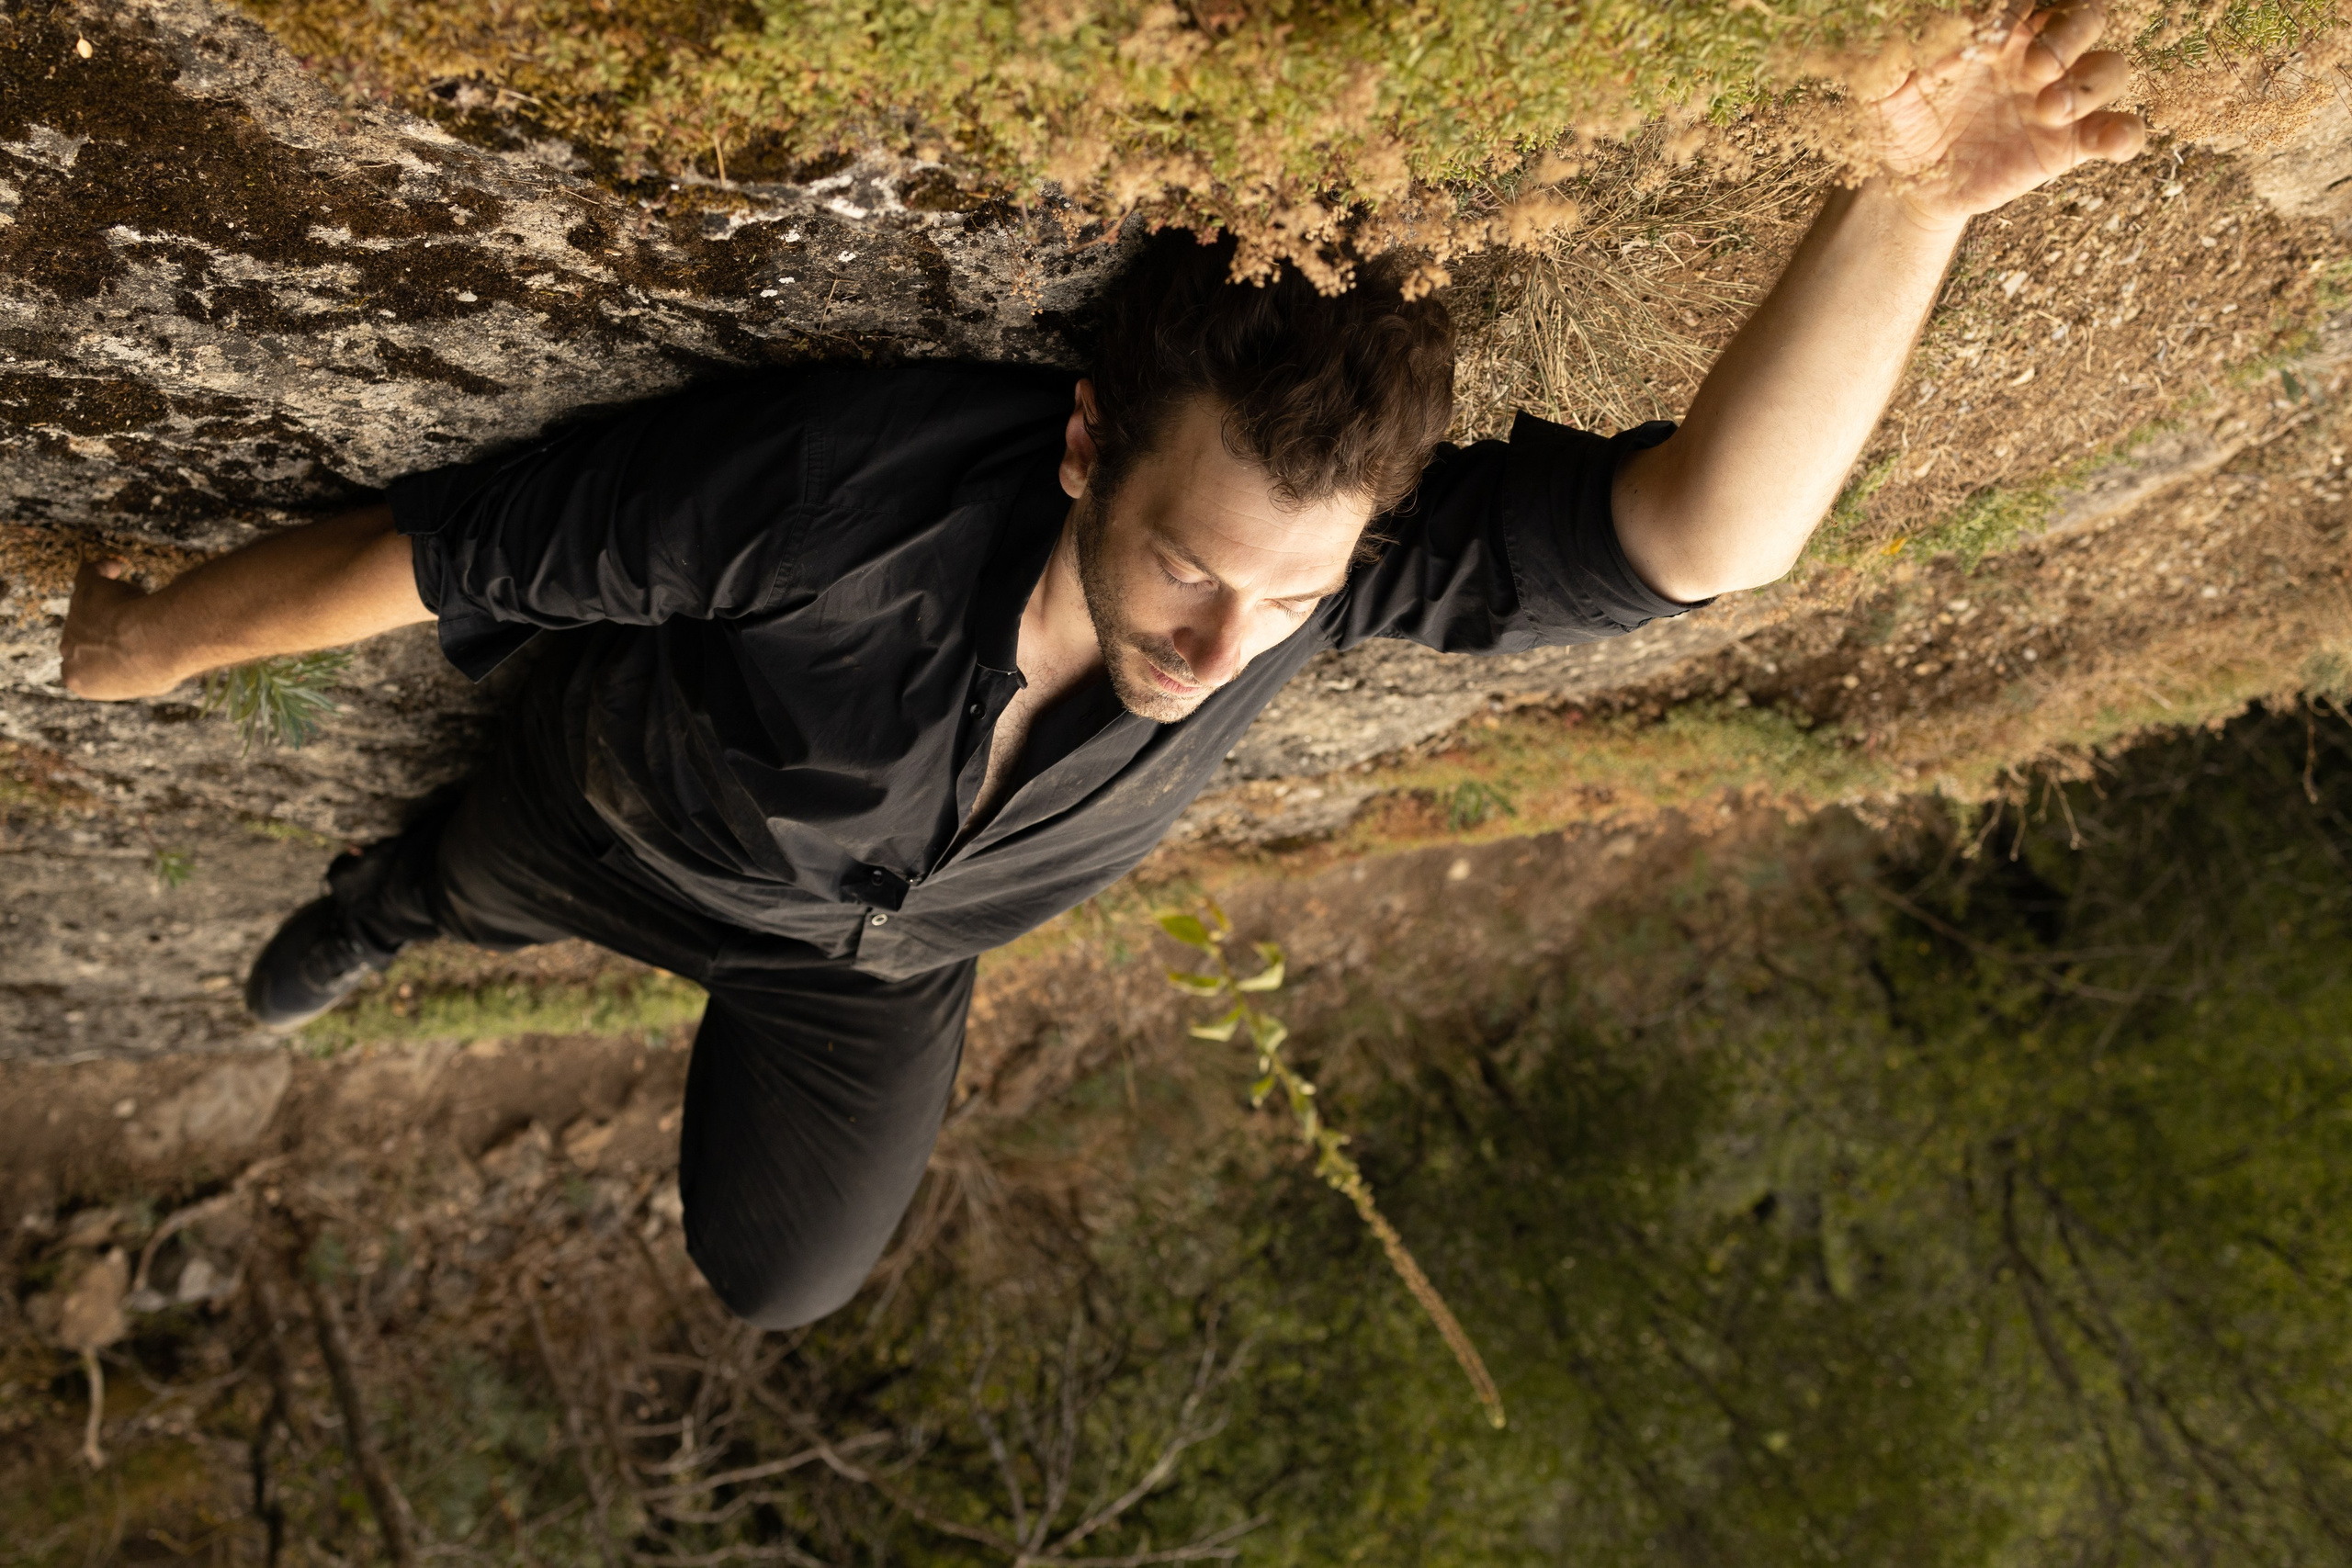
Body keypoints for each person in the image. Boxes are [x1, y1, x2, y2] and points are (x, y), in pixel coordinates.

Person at [57, 8, 2143, 1327]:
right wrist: (153, 634)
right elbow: (455, 550)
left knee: (780, 1276)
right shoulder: (840, 491)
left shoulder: (1318, 568)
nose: (1217, 648)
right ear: (1083, 445)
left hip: (879, 963)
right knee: (463, 871)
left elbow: (1710, 539)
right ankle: (384, 906)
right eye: (1187, 570)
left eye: (1287, 601)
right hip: (636, 822)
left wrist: (1909, 201)